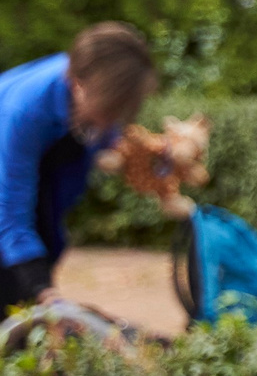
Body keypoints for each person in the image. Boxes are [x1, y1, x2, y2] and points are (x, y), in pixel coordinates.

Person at [0, 23, 156, 311]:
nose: (111, 123)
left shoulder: (95, 93)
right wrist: (42, 290)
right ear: (79, 86)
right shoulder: (26, 110)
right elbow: (11, 214)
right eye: (108, 112)